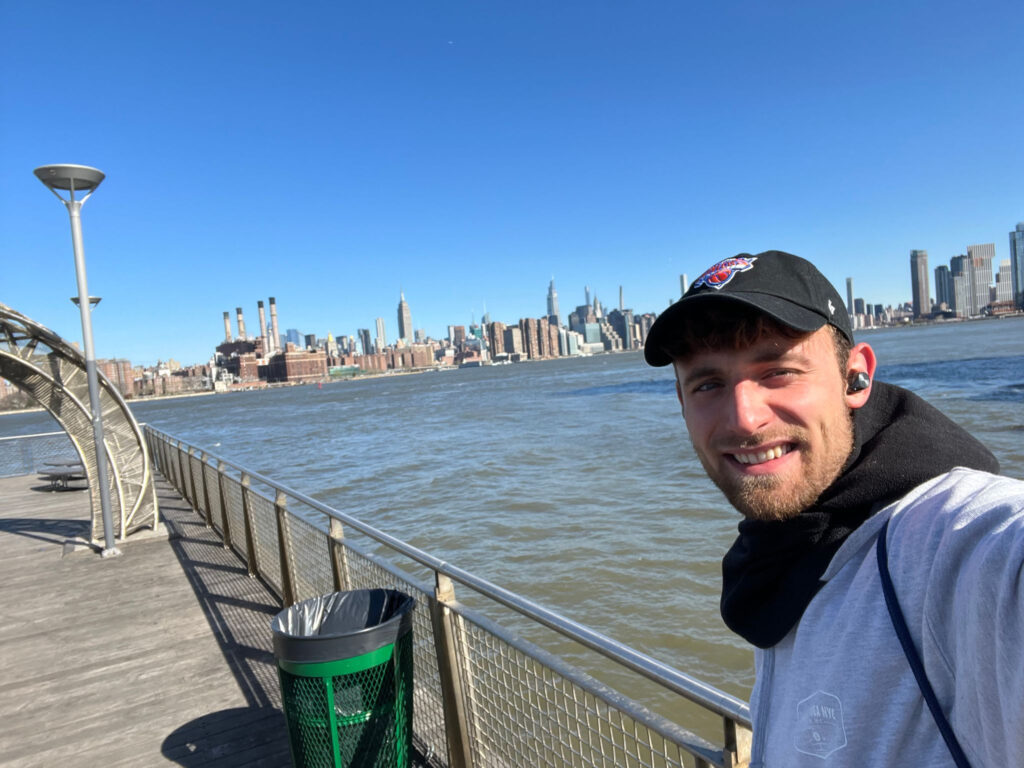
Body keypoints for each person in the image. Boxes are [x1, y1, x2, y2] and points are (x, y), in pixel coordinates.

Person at [644, 250, 1024, 767]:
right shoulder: (783, 552)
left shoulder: (946, 543)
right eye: (707, 384)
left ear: (855, 378)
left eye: (778, 370)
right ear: (682, 402)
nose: (743, 417)